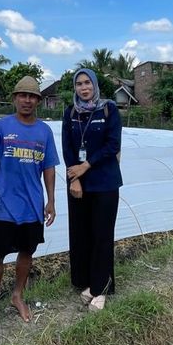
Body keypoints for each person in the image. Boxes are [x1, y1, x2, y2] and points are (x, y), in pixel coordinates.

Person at [0, 75, 58, 330]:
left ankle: (17, 296)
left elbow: (49, 168)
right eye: (22, 95)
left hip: (33, 206)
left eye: (32, 96)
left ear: (38, 101)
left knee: (27, 253)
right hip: (4, 205)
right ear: (14, 98)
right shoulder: (1, 127)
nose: (27, 100)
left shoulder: (44, 131)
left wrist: (51, 201)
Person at [62, 68, 122, 311]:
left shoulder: (108, 110)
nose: (84, 88)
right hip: (78, 183)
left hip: (104, 182)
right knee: (81, 233)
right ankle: (84, 282)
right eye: (79, 84)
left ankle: (101, 288)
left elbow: (113, 145)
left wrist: (86, 166)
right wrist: (73, 179)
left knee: (102, 235)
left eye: (87, 83)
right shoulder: (70, 113)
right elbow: (67, 148)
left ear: (95, 85)